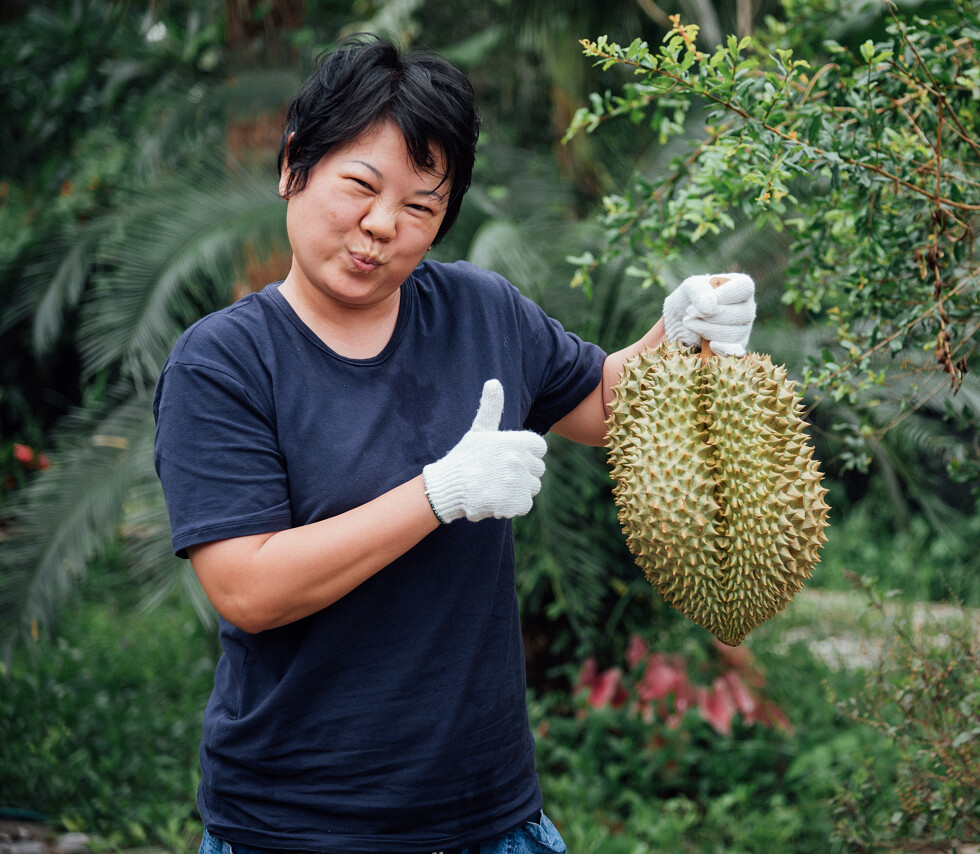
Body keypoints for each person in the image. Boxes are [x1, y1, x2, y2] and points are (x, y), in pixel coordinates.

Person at [153, 34, 755, 854]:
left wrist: (680, 336)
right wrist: (438, 494)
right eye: (360, 186)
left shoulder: (481, 310)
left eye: (420, 208)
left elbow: (610, 406)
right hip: (298, 825)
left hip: (491, 817)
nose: (380, 226)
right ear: (294, 165)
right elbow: (249, 589)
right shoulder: (224, 362)